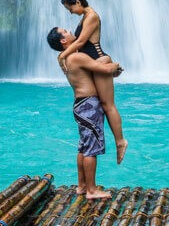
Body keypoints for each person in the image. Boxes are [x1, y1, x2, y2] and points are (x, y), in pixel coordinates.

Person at [47, 26, 123, 200]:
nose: (70, 31)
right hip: (89, 106)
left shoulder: (64, 58)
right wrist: (116, 65)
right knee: (91, 149)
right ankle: (91, 190)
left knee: (83, 146)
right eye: (65, 31)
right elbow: (104, 68)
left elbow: (93, 71)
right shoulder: (77, 57)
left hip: (80, 105)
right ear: (63, 41)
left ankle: (81, 185)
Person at [58, 0, 128, 164]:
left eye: (70, 8)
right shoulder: (84, 17)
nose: (70, 12)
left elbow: (81, 43)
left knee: (108, 105)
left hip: (99, 60)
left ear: (77, 2)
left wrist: (61, 56)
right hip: (93, 65)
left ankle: (120, 141)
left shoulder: (92, 16)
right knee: (102, 105)